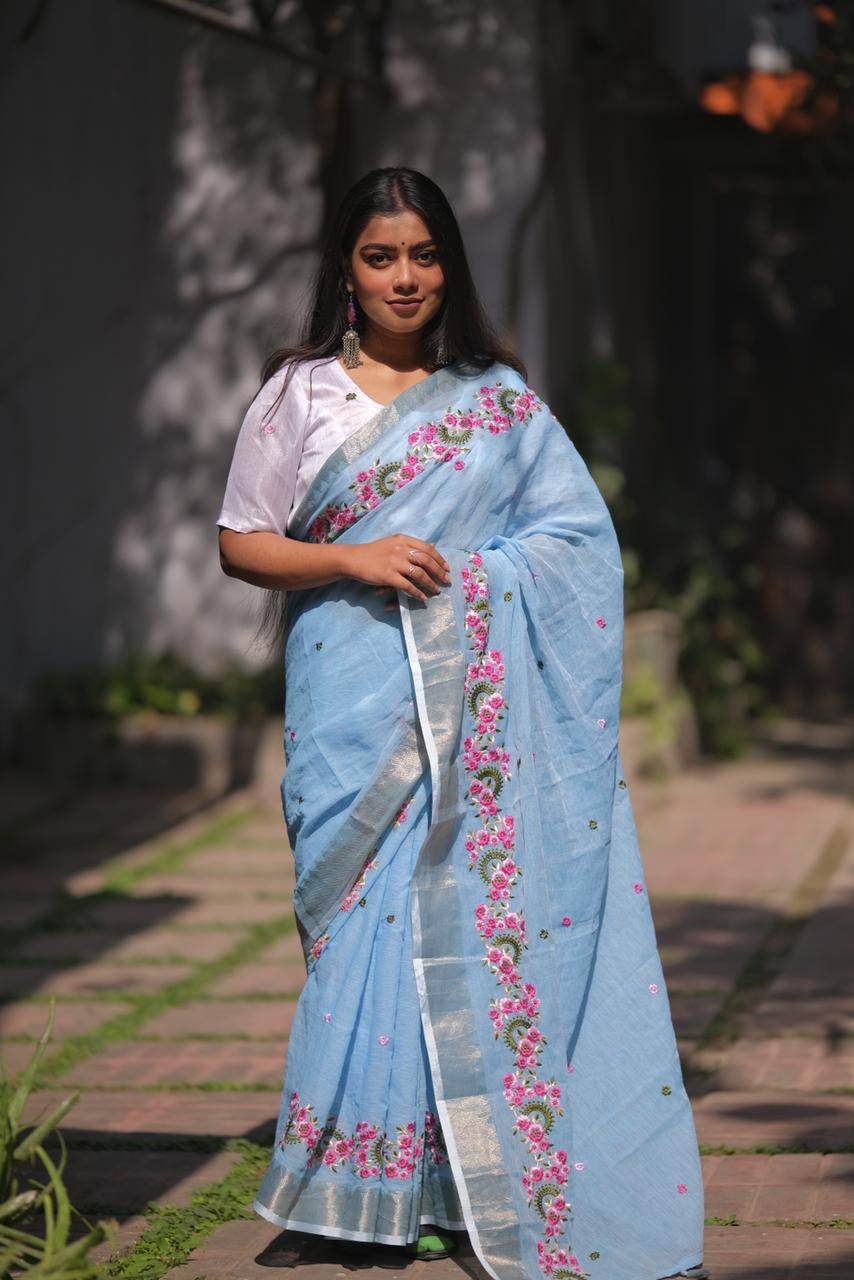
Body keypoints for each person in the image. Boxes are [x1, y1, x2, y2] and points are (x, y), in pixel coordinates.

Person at [216, 167, 709, 1280]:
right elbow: (241, 542)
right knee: (356, 927)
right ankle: (346, 1191)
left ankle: (456, 1176)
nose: (404, 277)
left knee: (461, 924)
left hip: (472, 709)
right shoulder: (299, 394)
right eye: (380, 256)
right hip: (351, 698)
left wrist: (474, 585)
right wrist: (354, 558)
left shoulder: (499, 402)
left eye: (424, 255)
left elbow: (575, 545)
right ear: (345, 270)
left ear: (450, 266)